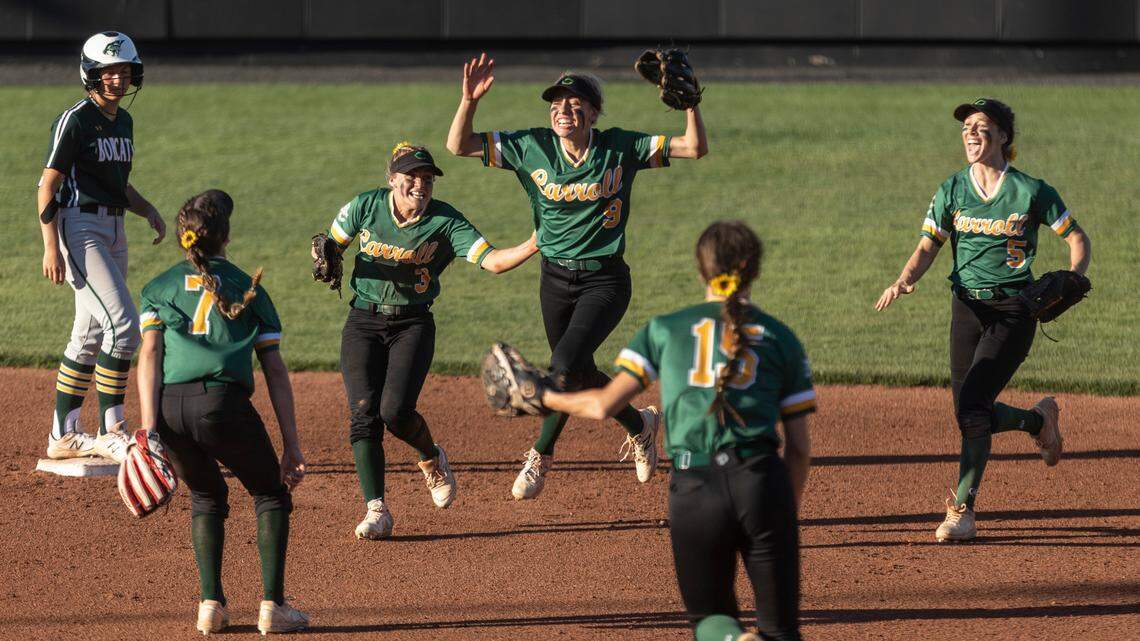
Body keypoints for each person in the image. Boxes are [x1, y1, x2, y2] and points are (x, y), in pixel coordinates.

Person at [509, 221, 812, 641]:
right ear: (755, 270)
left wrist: (543, 396)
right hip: (762, 483)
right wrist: (782, 513)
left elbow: (600, 406)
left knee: (710, 622)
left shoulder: (666, 329)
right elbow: (798, 450)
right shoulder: (782, 338)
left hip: (696, 490)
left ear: (700, 270)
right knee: (780, 632)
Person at [446, 53, 709, 500]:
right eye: (556, 104)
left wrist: (691, 104)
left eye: (573, 104)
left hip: (605, 282)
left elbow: (694, 147)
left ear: (593, 112)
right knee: (578, 369)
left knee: (564, 368)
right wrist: (468, 100)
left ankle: (540, 455)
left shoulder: (619, 147)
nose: (562, 111)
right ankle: (641, 425)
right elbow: (458, 145)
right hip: (553, 279)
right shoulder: (532, 147)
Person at [875, 98, 1093, 542]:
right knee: (968, 411)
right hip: (966, 310)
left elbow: (1077, 237)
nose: (971, 133)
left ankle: (962, 510)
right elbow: (927, 247)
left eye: (982, 126)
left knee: (974, 406)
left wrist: (1073, 278)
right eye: (967, 127)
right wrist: (903, 280)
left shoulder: (1031, 191)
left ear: (1004, 137)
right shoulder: (952, 189)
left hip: (1014, 311)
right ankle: (1037, 421)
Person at [322, 142, 538, 540]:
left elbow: (491, 261)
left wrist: (535, 242)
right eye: (411, 177)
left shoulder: (445, 222)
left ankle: (431, 457)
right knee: (363, 413)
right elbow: (331, 242)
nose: (419, 185)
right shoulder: (364, 206)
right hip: (363, 321)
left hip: (413, 325)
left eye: (426, 178)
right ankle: (377, 509)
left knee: (395, 412)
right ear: (392, 180)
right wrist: (325, 254)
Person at [135, 190, 308, 635]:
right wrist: (290, 444)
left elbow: (150, 355)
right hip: (221, 406)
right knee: (270, 493)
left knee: (207, 497)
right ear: (225, 237)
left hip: (169, 409)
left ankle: (210, 606)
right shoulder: (249, 289)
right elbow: (274, 372)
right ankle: (273, 607)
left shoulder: (158, 288)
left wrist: (149, 430)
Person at [39, 31, 166, 463]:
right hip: (79, 228)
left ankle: (64, 435)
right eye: (108, 71)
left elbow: (117, 185)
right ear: (91, 75)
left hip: (114, 231)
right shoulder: (75, 119)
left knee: (90, 335)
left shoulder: (124, 122)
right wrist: (50, 247)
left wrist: (147, 208)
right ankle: (112, 428)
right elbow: (48, 184)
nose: (117, 78)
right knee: (124, 326)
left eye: (124, 70)